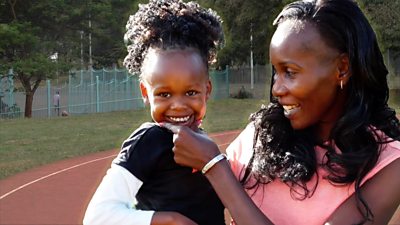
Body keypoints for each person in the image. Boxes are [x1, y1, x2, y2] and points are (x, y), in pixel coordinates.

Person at [162, 0, 400, 224]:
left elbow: (218, 174)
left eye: (290, 72)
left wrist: (214, 165)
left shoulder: (390, 165)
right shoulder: (263, 132)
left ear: (342, 69)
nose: (276, 88)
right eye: (276, 71)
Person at [83, 0, 225, 225]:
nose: (178, 106)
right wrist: (170, 220)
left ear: (206, 90)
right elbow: (97, 217)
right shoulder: (150, 141)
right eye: (164, 95)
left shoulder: (202, 140)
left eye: (190, 92)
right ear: (145, 92)